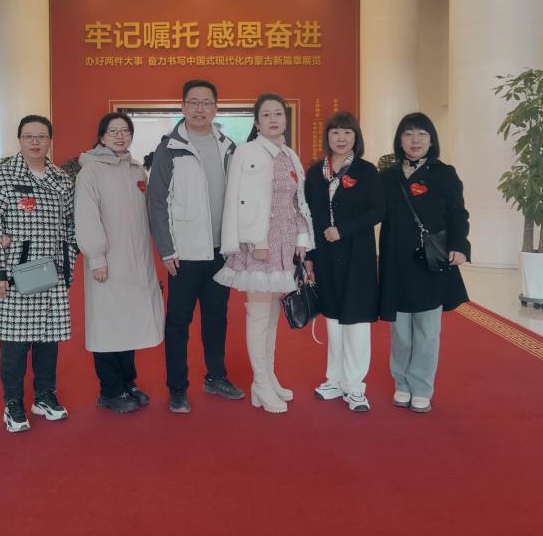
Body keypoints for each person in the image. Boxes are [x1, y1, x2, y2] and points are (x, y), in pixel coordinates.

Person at [215, 93, 315, 414]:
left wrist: (302, 239)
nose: (273, 119)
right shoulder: (247, 152)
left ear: (285, 119)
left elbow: (299, 201)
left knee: (272, 316)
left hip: (285, 245)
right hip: (259, 245)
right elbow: (238, 198)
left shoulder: (290, 154)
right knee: (259, 315)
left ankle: (268, 378)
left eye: (278, 114)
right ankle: (260, 382)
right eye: (267, 115)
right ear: (257, 122)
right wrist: (256, 240)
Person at [148, 79, 244, 413]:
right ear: (183, 107)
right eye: (193, 102)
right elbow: (157, 202)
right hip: (185, 254)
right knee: (178, 322)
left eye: (206, 103)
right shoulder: (169, 149)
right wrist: (166, 249)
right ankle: (177, 388)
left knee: (217, 318)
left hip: (220, 252)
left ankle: (216, 377)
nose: (200, 109)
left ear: (216, 108)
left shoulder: (228, 147)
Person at [0, 115, 78, 433]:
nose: (35, 142)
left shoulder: (61, 179)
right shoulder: (3, 175)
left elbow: (71, 226)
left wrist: (68, 264)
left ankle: (45, 396)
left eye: (42, 136)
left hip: (52, 272)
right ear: (19, 139)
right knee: (14, 342)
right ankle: (13, 403)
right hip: (16, 273)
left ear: (50, 140)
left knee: (49, 339)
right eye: (29, 136)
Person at [378, 112, 470, 414]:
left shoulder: (444, 174)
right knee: (401, 331)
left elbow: (458, 213)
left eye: (421, 134)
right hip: (395, 262)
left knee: (427, 331)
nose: (414, 140)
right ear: (399, 140)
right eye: (408, 134)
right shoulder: (388, 176)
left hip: (430, 262)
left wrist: (459, 246)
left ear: (432, 140)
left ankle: (421, 387)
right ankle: (401, 382)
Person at [75, 113, 164, 414]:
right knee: (108, 326)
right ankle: (110, 390)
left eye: (125, 131)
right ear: (101, 136)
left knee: (129, 323)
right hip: (108, 262)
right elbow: (87, 218)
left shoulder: (136, 170)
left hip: (137, 261)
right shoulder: (90, 171)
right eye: (113, 131)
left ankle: (128, 382)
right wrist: (97, 258)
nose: (119, 136)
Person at [303, 112, 384, 412]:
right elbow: (309, 215)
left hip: (357, 255)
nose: (341, 138)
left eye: (347, 133)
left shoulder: (367, 171)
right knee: (334, 320)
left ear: (355, 138)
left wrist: (344, 230)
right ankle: (335, 380)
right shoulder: (315, 172)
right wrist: (309, 256)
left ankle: (355, 386)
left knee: (357, 322)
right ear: (327, 137)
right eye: (335, 132)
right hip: (325, 257)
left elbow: (378, 211)